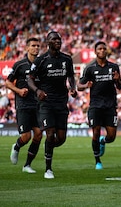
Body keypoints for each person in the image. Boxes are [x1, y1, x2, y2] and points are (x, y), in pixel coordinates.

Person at [27, 31, 78, 179]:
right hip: (46, 103)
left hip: (61, 102)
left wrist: (72, 88)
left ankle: (47, 147)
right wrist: (37, 91)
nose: (58, 42)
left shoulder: (67, 59)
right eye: (54, 39)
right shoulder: (40, 60)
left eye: (59, 39)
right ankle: (48, 169)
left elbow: (71, 76)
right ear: (48, 42)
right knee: (50, 134)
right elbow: (30, 79)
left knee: (61, 139)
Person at [77, 41, 121, 170]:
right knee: (95, 132)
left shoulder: (114, 67)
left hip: (110, 105)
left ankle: (104, 141)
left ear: (106, 51)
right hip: (95, 106)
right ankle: (97, 161)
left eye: (104, 48)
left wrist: (117, 80)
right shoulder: (90, 68)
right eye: (99, 49)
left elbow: (119, 86)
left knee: (112, 136)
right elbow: (79, 86)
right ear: (95, 51)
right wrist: (86, 85)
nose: (102, 51)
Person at [8, 37, 43, 173]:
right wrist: (19, 90)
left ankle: (27, 165)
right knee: (26, 137)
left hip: (37, 105)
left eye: (38, 46)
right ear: (27, 48)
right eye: (33, 45)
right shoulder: (19, 65)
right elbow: (8, 82)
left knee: (39, 134)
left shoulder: (41, 65)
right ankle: (16, 147)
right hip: (23, 104)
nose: (36, 48)